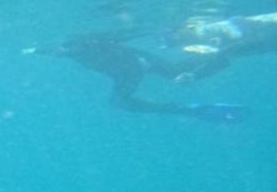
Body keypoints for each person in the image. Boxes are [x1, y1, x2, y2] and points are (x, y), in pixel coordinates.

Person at [28, 11, 277, 122]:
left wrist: (157, 28)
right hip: (127, 71)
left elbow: (126, 33)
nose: (61, 51)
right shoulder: (68, 51)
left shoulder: (87, 41)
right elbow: (45, 50)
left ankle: (218, 60)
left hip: (138, 62)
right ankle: (184, 110)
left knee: (177, 73)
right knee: (119, 101)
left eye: (62, 48)